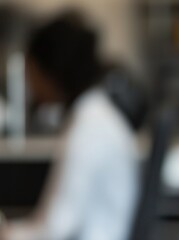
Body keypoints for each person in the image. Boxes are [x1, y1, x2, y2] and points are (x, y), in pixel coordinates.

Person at [0, 12, 143, 240]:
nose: (29, 82)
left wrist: (7, 234)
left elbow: (56, 227)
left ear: (49, 70)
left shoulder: (88, 129)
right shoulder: (95, 115)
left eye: (31, 70)